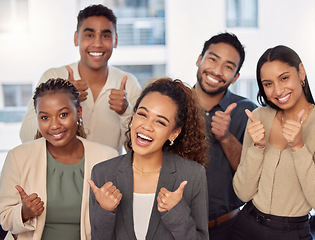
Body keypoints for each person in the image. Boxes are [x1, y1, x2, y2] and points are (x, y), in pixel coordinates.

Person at [232, 45, 315, 240]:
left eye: (284, 78)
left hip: (290, 233)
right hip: (245, 226)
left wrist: (299, 147)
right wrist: (257, 148)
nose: (278, 90)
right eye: (268, 84)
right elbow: (243, 192)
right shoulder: (258, 117)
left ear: (301, 72)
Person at [88, 78, 209, 239]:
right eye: (142, 114)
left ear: (174, 133)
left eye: (160, 122)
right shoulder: (102, 173)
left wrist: (176, 213)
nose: (146, 126)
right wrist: (105, 211)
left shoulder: (193, 175)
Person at [0, 78, 118, 239]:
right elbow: (4, 218)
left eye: (63, 114)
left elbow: (117, 223)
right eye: (45, 117)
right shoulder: (18, 157)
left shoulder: (107, 157)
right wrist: (24, 213)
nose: (54, 125)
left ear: (79, 113)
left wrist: (107, 208)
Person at [19, 4, 141, 152]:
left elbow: (136, 150)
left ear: (115, 40)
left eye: (105, 36)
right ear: (76, 38)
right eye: (89, 35)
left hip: (107, 174)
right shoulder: (53, 77)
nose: (97, 43)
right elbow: (26, 136)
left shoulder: (128, 84)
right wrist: (62, 98)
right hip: (61, 172)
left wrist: (125, 112)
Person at [193, 32, 257, 239]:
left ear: (236, 77)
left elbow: (251, 175)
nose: (217, 71)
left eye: (228, 67)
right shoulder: (173, 104)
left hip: (228, 229)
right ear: (199, 60)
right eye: (212, 59)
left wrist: (226, 138)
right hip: (175, 226)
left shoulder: (247, 112)